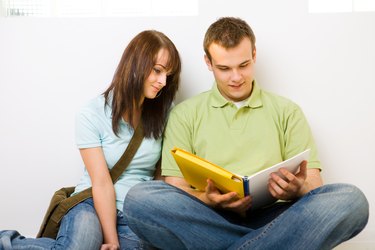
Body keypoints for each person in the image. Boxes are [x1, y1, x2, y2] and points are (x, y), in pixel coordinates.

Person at [123, 17, 369, 250]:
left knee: (352, 200)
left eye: (243, 65)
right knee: (140, 199)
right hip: (208, 218)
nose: (236, 77)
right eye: (224, 68)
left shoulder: (287, 111)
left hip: (278, 219)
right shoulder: (185, 114)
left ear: (254, 55)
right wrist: (208, 199)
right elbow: (176, 189)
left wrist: (297, 189)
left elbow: (315, 186)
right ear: (208, 63)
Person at [0, 30, 181, 250]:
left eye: (167, 75)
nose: (163, 82)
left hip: (134, 214)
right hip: (91, 204)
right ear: (136, 63)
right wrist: (111, 240)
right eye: (157, 70)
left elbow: (163, 179)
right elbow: (101, 183)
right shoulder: (91, 113)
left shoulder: (165, 114)